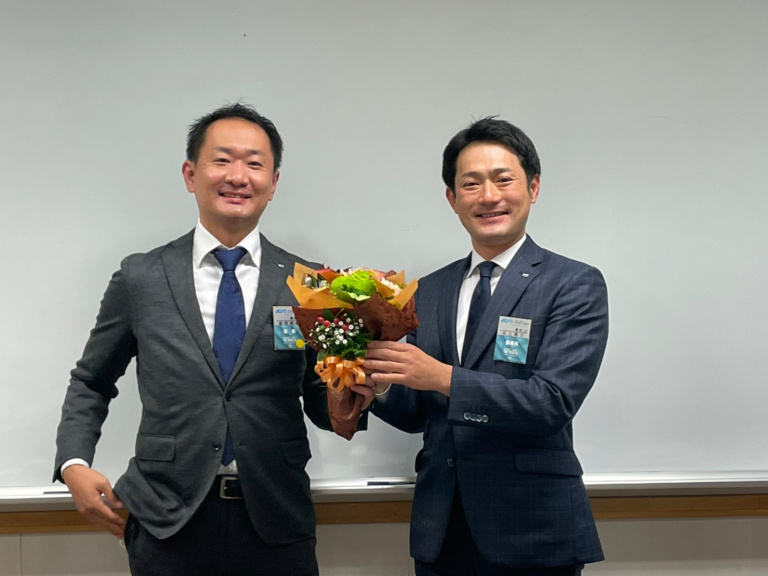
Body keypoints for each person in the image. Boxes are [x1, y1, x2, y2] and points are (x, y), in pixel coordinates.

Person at [54, 103, 332, 576]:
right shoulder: (141, 277)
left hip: (277, 520)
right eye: (222, 160)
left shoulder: (309, 283)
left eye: (254, 164)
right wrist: (73, 464)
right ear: (190, 174)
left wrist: (364, 389)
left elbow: (322, 400)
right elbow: (91, 382)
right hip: (166, 522)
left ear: (273, 183)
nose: (238, 176)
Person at [357, 117, 609, 575]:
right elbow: (418, 414)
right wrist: (379, 385)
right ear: (452, 199)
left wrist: (442, 377)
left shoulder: (573, 283)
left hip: (533, 530)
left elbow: (551, 402)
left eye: (503, 179)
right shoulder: (428, 290)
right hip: (441, 529)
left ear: (533, 187)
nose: (489, 196)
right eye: (470, 184)